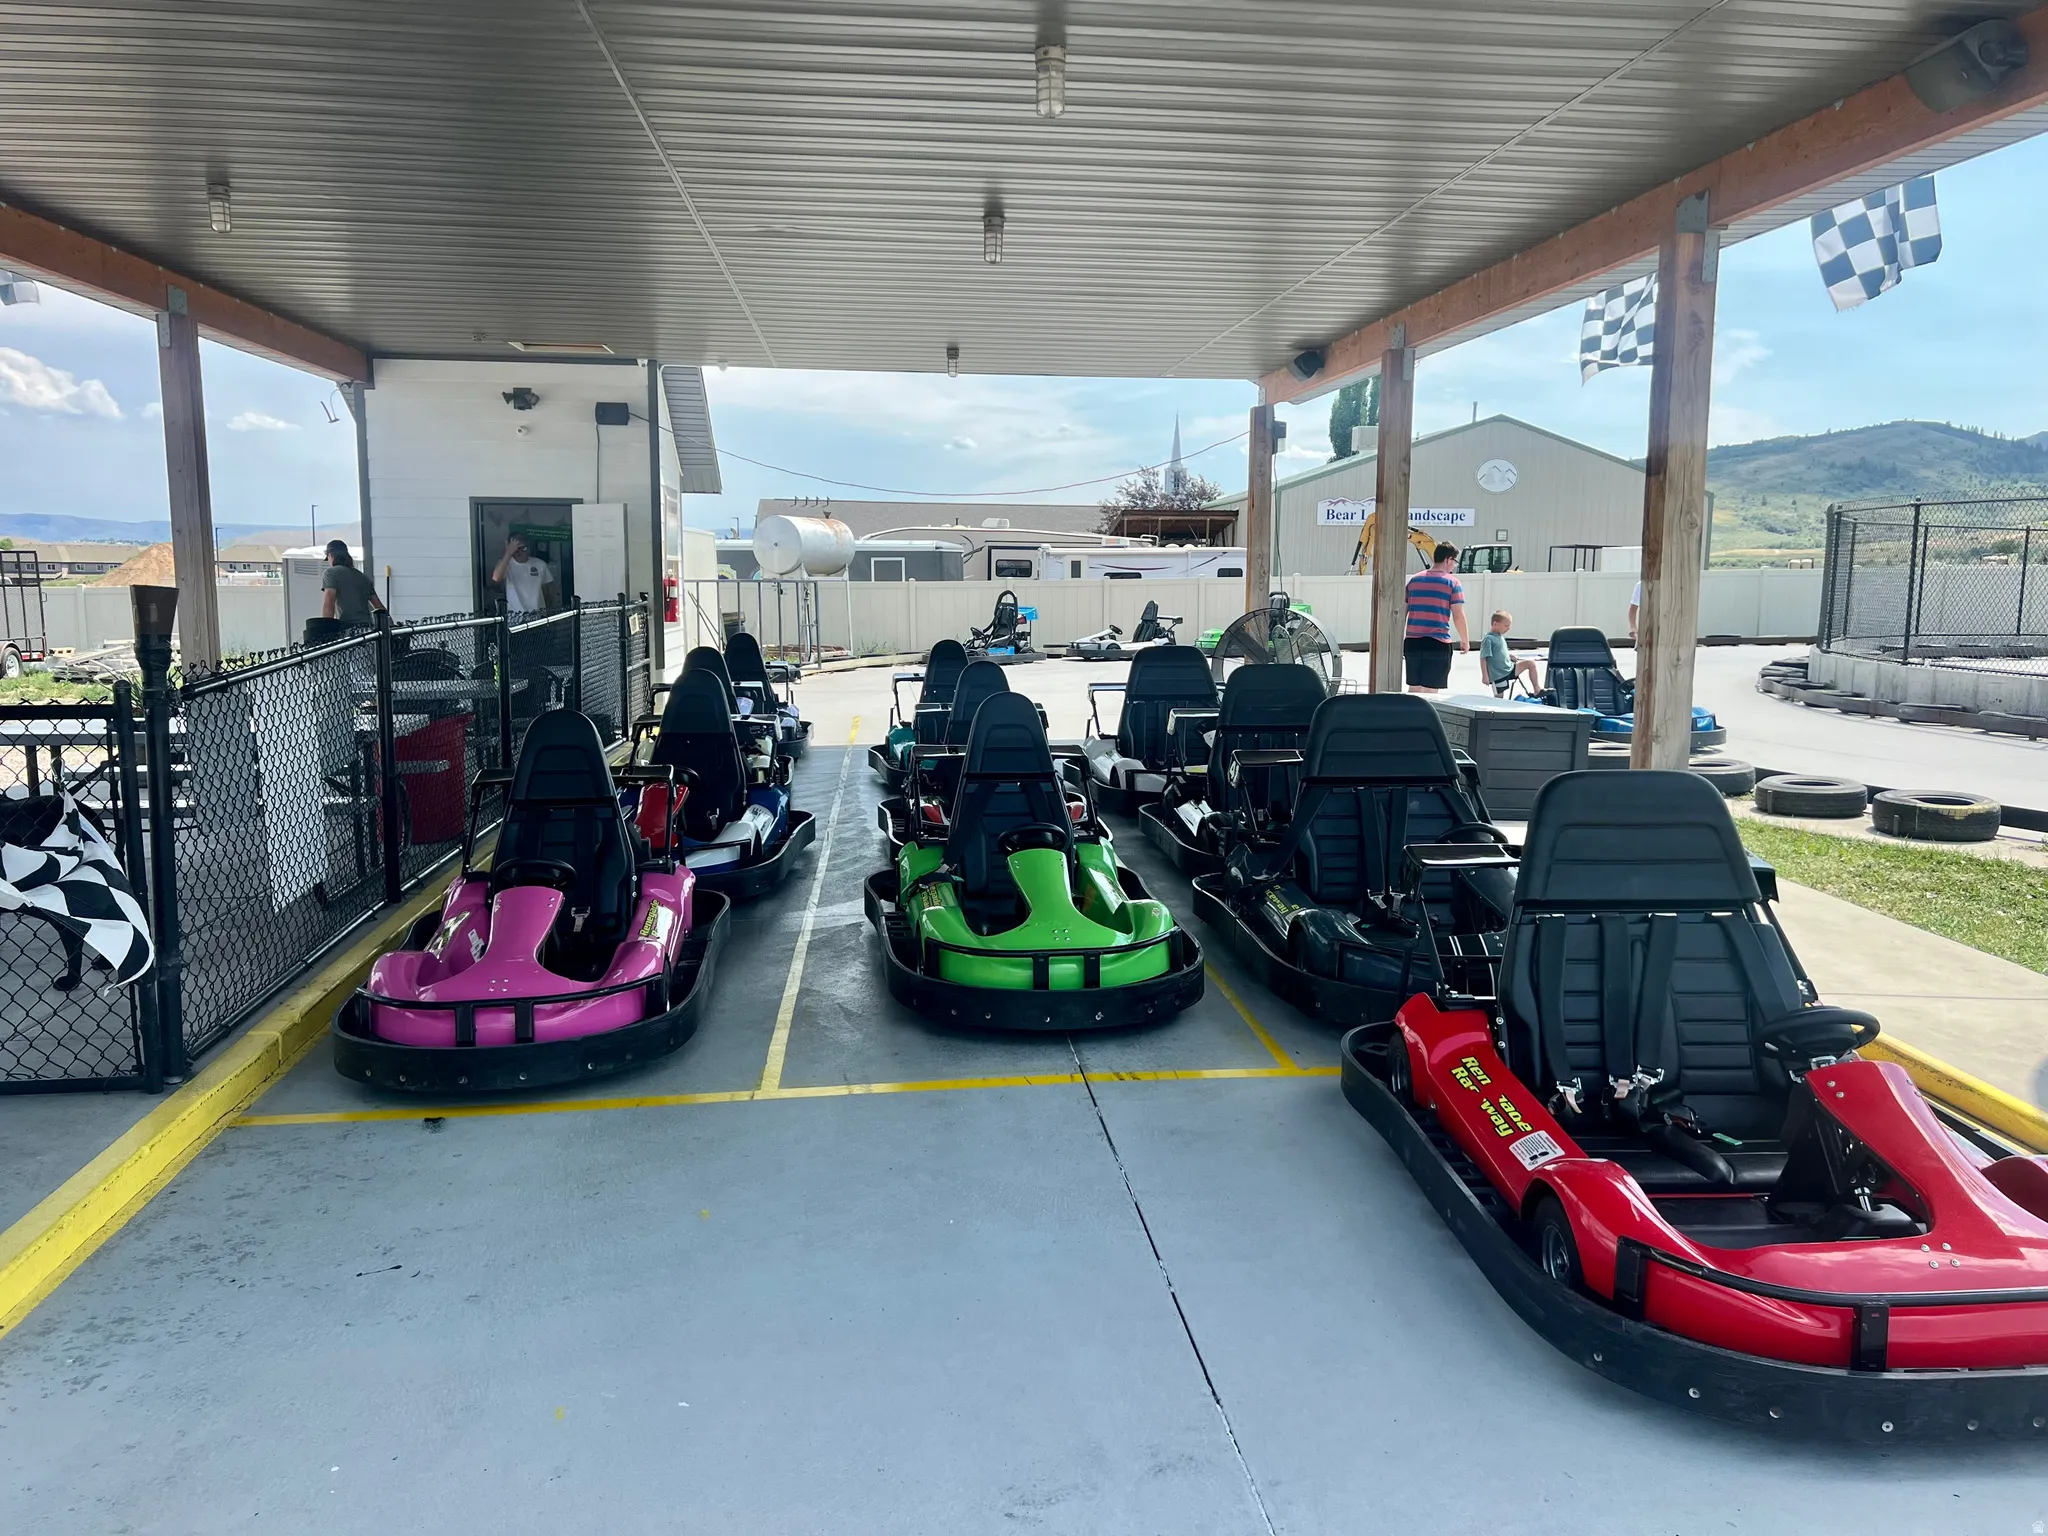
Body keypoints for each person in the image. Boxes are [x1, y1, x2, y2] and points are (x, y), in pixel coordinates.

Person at [1403, 543, 1469, 694]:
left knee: (1414, 687)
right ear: (1448, 559)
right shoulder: (1452, 582)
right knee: (1431, 690)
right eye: (1454, 561)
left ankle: (1409, 716)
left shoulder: (1414, 580)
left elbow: (1403, 611)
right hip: (1437, 642)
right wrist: (1465, 639)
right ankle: (1425, 718)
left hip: (1413, 642)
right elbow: (1458, 616)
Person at [320, 541, 385, 628]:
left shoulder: (330, 573)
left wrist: (326, 630)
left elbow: (329, 603)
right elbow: (379, 607)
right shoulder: (362, 577)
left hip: (347, 629)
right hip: (367, 629)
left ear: (330, 555)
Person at [492, 534, 556, 617]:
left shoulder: (540, 564)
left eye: (523, 548)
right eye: (516, 549)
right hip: (515, 616)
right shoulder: (506, 564)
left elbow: (548, 590)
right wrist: (508, 553)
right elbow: (496, 577)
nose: (520, 552)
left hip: (538, 615)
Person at [1480, 610, 1541, 695]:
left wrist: (1509, 656)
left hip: (1509, 668)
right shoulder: (1488, 639)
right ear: (1495, 624)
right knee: (1499, 697)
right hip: (1498, 675)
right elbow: (1483, 658)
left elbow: (1498, 652)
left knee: (1530, 664)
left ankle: (1537, 689)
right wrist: (1485, 675)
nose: (1508, 628)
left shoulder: (1500, 637)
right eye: (1506, 626)